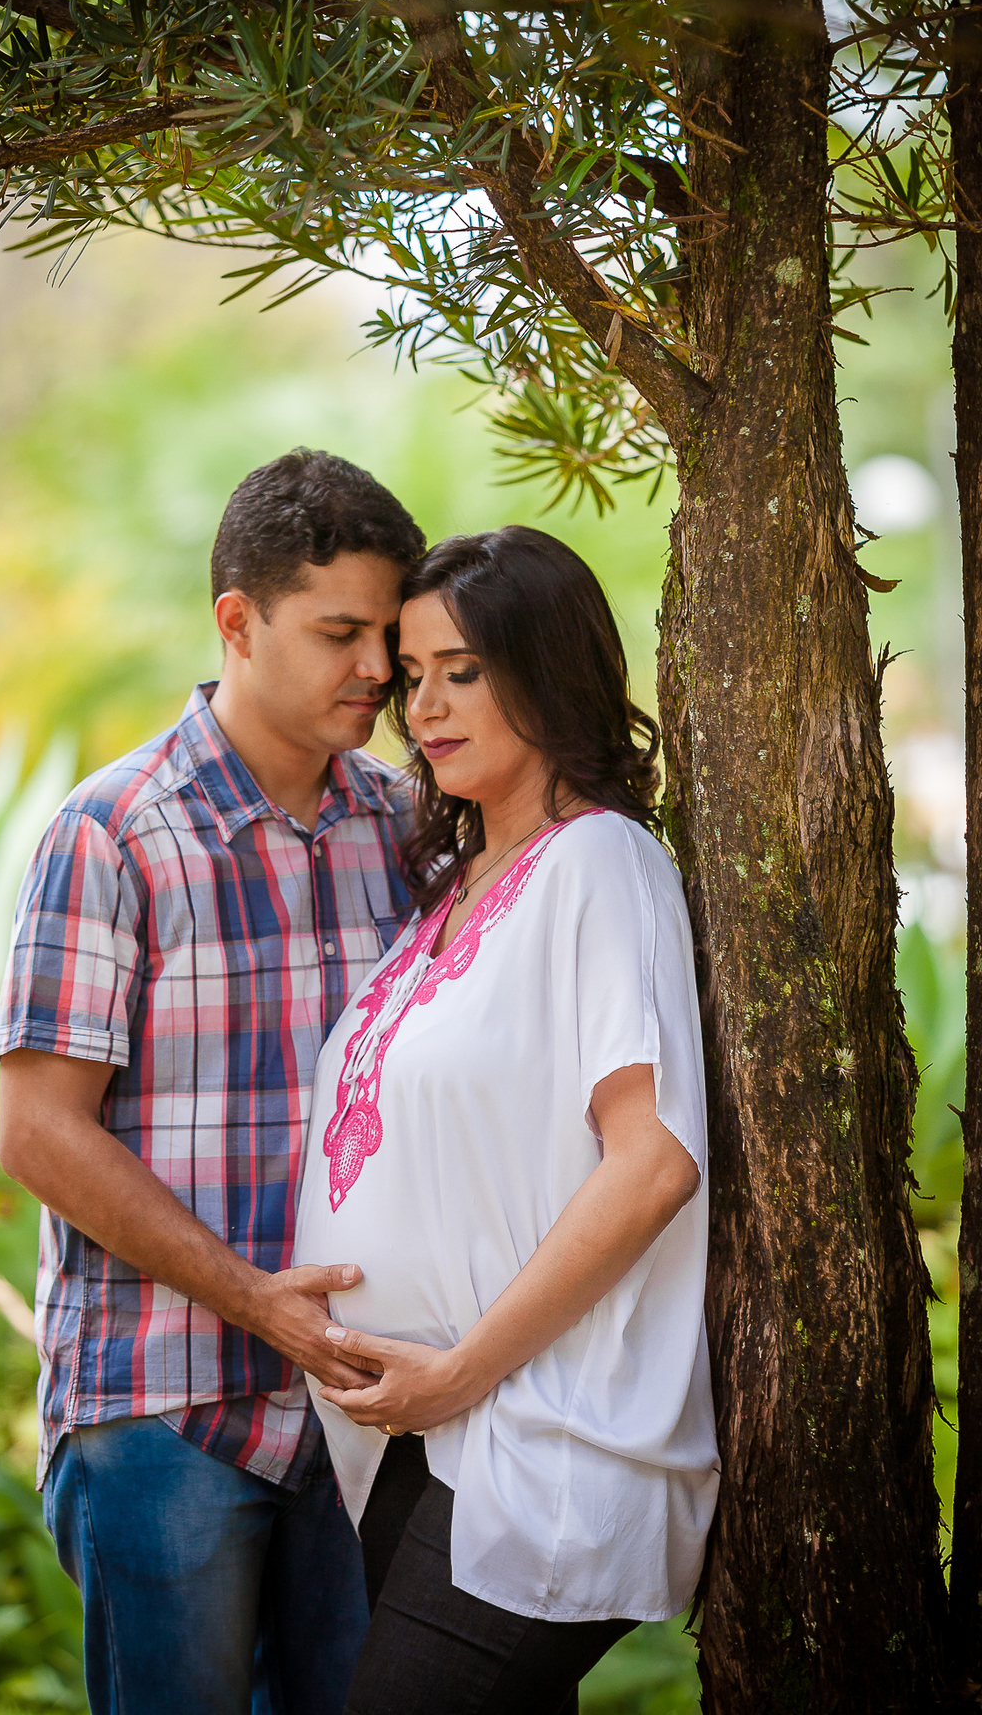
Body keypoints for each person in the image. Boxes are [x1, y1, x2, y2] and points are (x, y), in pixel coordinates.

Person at [0, 449, 426, 1715]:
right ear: (238, 622)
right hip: (162, 1411)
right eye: (340, 633)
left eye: (389, 635)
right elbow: (39, 1134)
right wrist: (259, 1305)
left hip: (364, 1414)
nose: (379, 668)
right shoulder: (111, 833)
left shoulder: (411, 828)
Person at [293, 526, 720, 1715]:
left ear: (547, 669)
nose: (424, 707)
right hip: (420, 1446)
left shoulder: (602, 864)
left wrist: (459, 1373)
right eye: (412, 674)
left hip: (546, 1439)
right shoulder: (451, 886)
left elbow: (652, 1162)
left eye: (464, 671)